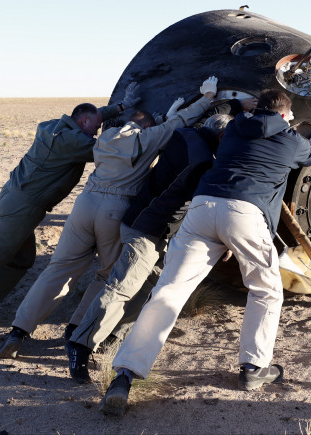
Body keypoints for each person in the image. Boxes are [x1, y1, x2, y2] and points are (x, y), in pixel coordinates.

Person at [98, 89, 311, 416]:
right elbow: (309, 153)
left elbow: (247, 126)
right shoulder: (290, 139)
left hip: (203, 206)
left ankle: (124, 375)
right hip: (246, 213)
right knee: (266, 289)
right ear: (284, 116)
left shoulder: (236, 127)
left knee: (170, 289)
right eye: (289, 117)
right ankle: (254, 368)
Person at [0, 77, 218, 359]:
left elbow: (149, 124)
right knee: (109, 275)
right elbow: (180, 122)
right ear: (147, 126)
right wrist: (207, 97)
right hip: (115, 209)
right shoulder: (147, 139)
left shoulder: (104, 138)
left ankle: (19, 330)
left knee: (59, 268)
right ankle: (78, 328)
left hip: (84, 205)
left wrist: (151, 116)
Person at [0, 85, 146, 343]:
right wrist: (144, 128)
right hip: (22, 209)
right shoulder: (70, 142)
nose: (96, 132)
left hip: (14, 199)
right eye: (94, 127)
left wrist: (119, 107)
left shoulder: (56, 126)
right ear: (84, 122)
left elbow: (92, 115)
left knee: (21, 258)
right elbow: (112, 149)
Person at [66, 105, 249, 383]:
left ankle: (113, 336)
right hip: (148, 228)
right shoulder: (202, 162)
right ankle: (80, 345)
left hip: (153, 225)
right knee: (122, 287)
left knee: (151, 286)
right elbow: (209, 202)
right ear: (222, 136)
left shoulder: (185, 134)